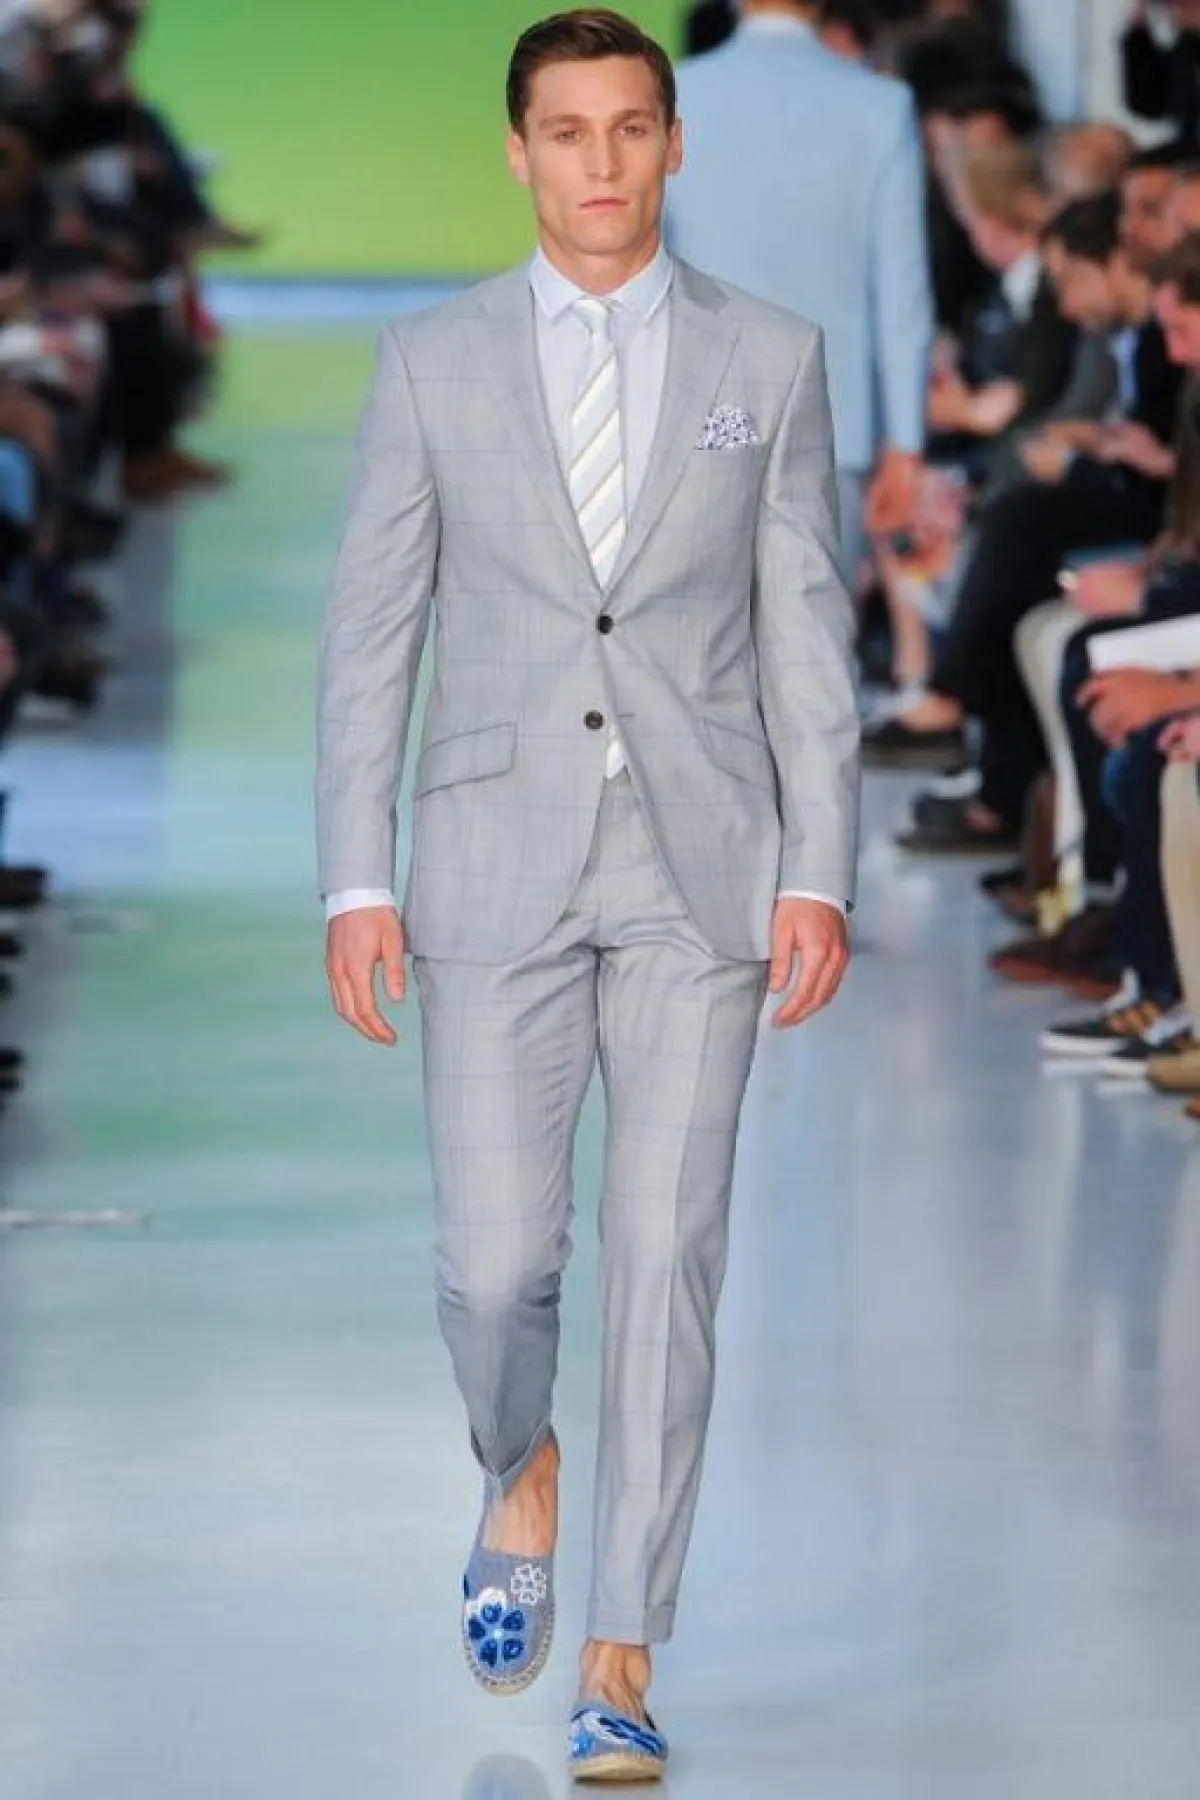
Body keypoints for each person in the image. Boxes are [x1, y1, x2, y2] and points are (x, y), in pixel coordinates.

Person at [315, 8, 859, 1784]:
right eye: (568, 131)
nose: (602, 162)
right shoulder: (431, 362)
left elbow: (807, 630)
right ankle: (520, 1460)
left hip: (705, 863)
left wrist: (821, 867)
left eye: (631, 127)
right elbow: (371, 630)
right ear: (518, 152)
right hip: (490, 861)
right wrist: (356, 877)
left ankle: (621, 1649)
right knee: (494, 1272)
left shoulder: (771, 357)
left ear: (674, 144)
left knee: (669, 1256)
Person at [667, 0, 934, 579]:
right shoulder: (880, 106)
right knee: (817, 623)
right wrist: (906, 444)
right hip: (834, 419)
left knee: (702, 625)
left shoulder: (676, 97)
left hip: (702, 414)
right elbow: (902, 294)